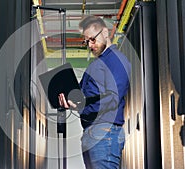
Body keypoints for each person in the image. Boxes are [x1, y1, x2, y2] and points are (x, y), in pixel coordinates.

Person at [58, 15, 131, 169]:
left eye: (93, 39)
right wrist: (71, 102)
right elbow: (86, 97)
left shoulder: (116, 60)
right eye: (86, 41)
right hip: (93, 133)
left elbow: (113, 98)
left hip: (104, 133)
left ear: (105, 33)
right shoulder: (98, 64)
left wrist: (82, 103)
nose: (90, 45)